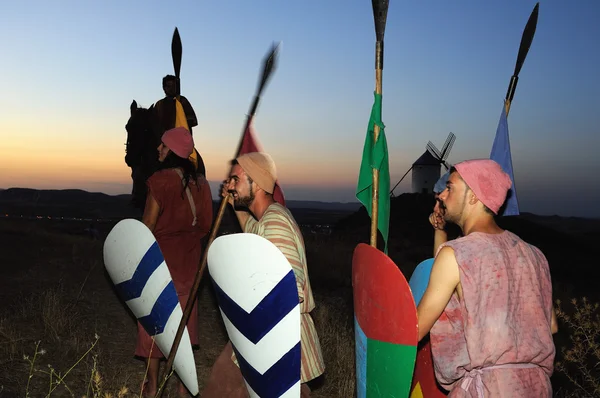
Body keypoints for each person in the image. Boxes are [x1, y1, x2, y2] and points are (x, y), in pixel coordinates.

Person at [416, 159, 558, 397]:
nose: (441, 194)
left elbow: (416, 328)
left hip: (488, 388)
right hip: (536, 387)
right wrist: (440, 231)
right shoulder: (534, 255)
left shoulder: (455, 255)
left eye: (450, 187)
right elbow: (551, 326)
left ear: (473, 196)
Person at [201, 152, 325, 397]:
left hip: (279, 336)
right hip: (260, 328)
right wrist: (234, 200)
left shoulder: (276, 221)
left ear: (256, 183)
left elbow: (291, 287)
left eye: (236, 179)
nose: (231, 185)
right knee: (223, 383)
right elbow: (252, 231)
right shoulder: (264, 220)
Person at [137, 126, 213, 397]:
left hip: (160, 265)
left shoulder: (160, 180)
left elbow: (147, 227)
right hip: (189, 265)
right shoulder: (202, 184)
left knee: (153, 326)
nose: (159, 149)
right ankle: (183, 389)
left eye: (163, 146)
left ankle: (153, 387)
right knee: (183, 329)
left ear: (173, 153)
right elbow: (206, 226)